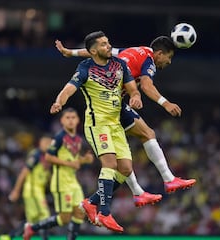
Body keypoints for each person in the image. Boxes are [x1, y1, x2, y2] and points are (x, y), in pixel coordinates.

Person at [55, 36, 196, 205]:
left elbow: (96, 52)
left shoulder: (133, 50)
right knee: (145, 136)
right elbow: (146, 85)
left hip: (113, 102)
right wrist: (165, 103)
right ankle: (166, 180)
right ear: (159, 53)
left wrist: (70, 52)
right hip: (110, 105)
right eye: (169, 57)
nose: (169, 62)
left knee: (125, 163)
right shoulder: (149, 60)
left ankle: (130, 194)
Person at [48, 31, 144, 233]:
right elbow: (69, 89)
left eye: (108, 42)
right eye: (103, 44)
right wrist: (59, 102)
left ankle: (91, 203)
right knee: (110, 164)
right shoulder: (85, 68)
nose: (108, 46)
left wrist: (135, 96)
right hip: (96, 124)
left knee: (125, 169)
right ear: (93, 51)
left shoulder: (120, 64)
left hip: (116, 125)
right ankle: (105, 213)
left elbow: (132, 88)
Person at [23, 108, 94, 240]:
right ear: (62, 120)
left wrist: (84, 160)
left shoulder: (77, 139)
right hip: (61, 183)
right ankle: (32, 228)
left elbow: (73, 161)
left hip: (73, 182)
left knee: (80, 212)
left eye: (73, 117)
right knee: (64, 218)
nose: (71, 120)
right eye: (67, 118)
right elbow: (49, 157)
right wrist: (70, 164)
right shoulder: (59, 137)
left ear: (78, 120)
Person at [8, 136, 52, 240]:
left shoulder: (48, 156)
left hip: (38, 190)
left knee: (32, 220)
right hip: (33, 190)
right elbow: (24, 173)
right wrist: (16, 190)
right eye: (44, 142)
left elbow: (46, 175)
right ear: (40, 143)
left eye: (49, 143)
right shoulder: (36, 155)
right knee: (44, 215)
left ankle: (11, 236)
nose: (47, 144)